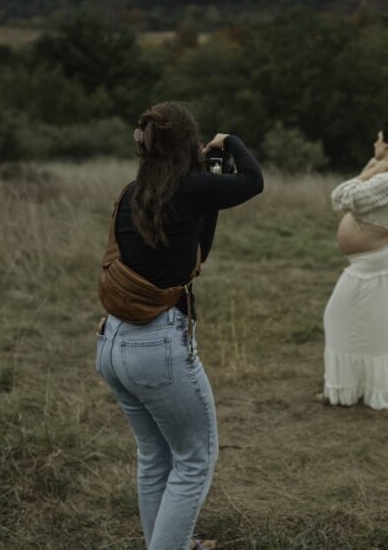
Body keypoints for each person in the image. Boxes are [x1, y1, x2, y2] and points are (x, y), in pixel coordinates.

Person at [94, 102, 263, 550]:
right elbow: (253, 180)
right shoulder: (192, 188)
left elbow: (196, 254)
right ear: (188, 144)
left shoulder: (134, 193)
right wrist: (228, 143)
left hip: (112, 342)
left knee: (155, 457)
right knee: (194, 461)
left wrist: (209, 184)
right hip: (156, 348)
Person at [322, 121, 388, 410]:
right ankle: (351, 387)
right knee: (363, 324)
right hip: (371, 261)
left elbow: (339, 197)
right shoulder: (385, 171)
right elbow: (351, 189)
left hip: (373, 265)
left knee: (339, 317)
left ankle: (361, 388)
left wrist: (370, 172)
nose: (374, 144)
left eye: (378, 140)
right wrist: (375, 167)